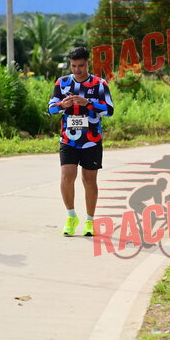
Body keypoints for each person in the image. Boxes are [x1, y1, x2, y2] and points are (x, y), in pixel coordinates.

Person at [48, 46, 114, 237]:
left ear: (88, 64)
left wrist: (88, 103)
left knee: (89, 180)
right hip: (68, 139)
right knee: (67, 176)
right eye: (74, 66)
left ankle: (90, 221)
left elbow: (109, 110)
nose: (77, 70)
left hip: (91, 141)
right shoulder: (62, 83)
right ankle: (71, 216)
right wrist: (62, 104)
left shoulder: (99, 84)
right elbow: (51, 109)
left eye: (81, 66)